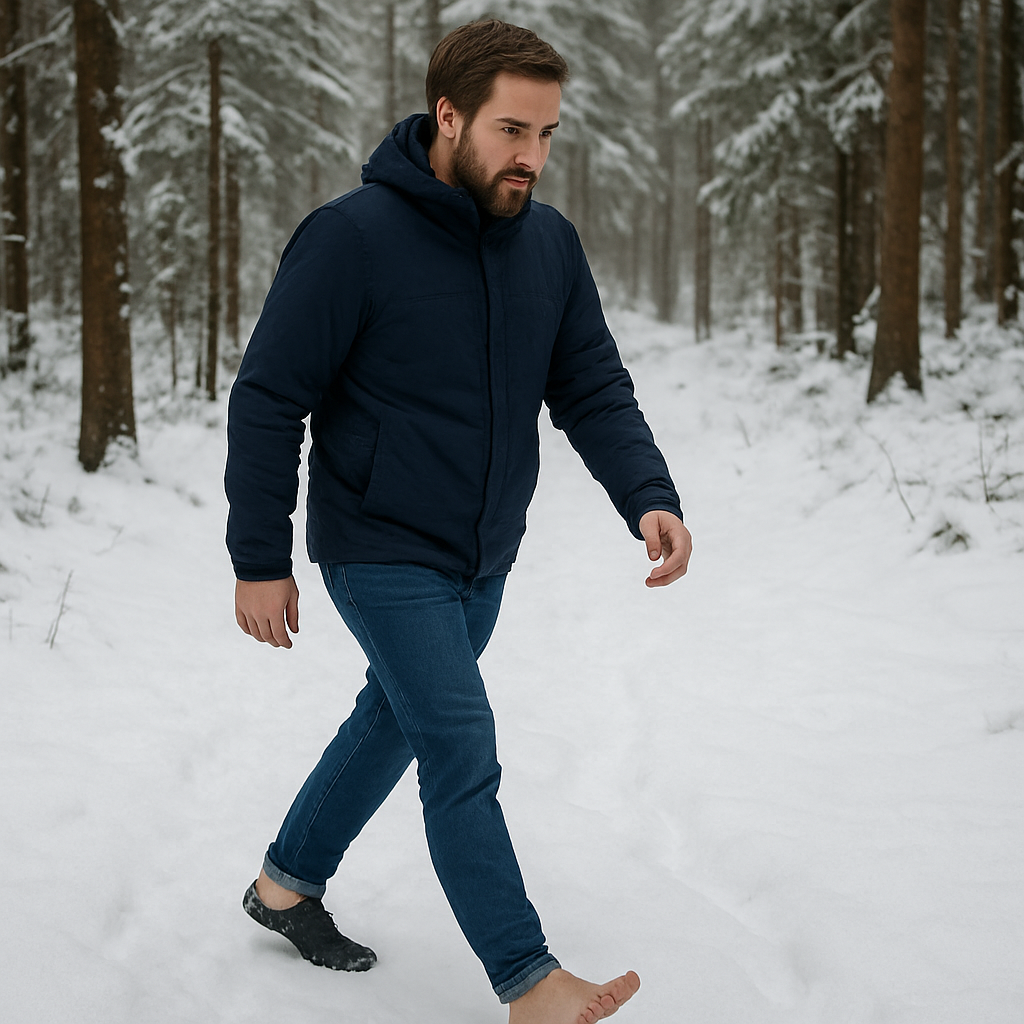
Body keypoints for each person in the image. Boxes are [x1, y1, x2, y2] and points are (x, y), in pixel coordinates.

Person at [225, 19, 691, 1024]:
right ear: (447, 118)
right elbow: (268, 397)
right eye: (512, 130)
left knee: (392, 716)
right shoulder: (350, 238)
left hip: (482, 551)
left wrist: (648, 493)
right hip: (376, 542)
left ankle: (284, 883)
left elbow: (591, 385)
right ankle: (529, 981)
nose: (531, 156)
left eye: (549, 133)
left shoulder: (548, 245)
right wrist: (259, 556)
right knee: (457, 739)